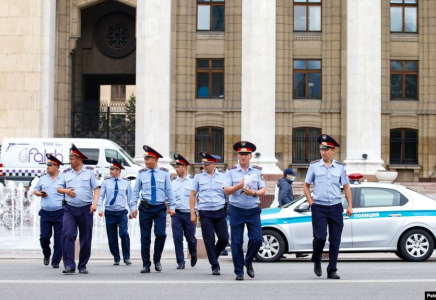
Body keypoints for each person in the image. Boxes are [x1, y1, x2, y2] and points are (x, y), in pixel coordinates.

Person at [303, 134, 353, 280]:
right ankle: (317, 259)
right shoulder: (314, 166)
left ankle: (332, 269)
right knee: (319, 238)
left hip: (336, 207)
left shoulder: (340, 167)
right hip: (319, 207)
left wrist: (349, 205)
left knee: (335, 240)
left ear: (333, 151)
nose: (323, 152)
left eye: (326, 149)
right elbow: (306, 186)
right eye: (321, 149)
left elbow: (346, 187)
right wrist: (311, 203)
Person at [224, 141, 265, 281]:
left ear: (250, 156)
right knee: (236, 242)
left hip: (253, 209)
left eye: (246, 154)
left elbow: (263, 189)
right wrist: (239, 186)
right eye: (241, 154)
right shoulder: (230, 171)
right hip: (236, 210)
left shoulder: (257, 170)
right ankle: (239, 271)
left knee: (257, 239)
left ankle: (248, 260)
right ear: (237, 155)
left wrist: (254, 193)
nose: (243, 156)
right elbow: (226, 190)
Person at [57, 144, 100, 274]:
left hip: (85, 209)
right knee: (68, 234)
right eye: (70, 159)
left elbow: (97, 188)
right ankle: (69, 265)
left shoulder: (89, 172)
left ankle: (82, 265)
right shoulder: (66, 173)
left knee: (85, 238)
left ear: (79, 159)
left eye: (72, 159)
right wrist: (66, 191)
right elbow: (59, 188)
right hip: (69, 209)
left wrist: (95, 204)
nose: (70, 161)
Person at [132, 145, 175, 274]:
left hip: (160, 208)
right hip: (145, 208)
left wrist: (172, 206)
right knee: (145, 238)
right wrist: (133, 207)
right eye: (145, 159)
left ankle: (157, 260)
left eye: (148, 158)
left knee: (161, 234)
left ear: (155, 159)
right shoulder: (141, 174)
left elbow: (169, 190)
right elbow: (135, 192)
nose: (145, 161)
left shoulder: (164, 173)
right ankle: (146, 264)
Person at [190, 152, 228, 276]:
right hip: (205, 212)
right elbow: (192, 194)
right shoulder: (199, 176)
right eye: (203, 164)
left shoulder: (223, 176)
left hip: (220, 210)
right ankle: (214, 265)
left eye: (207, 164)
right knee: (209, 240)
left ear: (214, 163)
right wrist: (192, 213)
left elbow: (227, 193)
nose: (204, 166)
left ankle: (213, 255)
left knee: (224, 238)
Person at [97, 157, 134, 266]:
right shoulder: (106, 182)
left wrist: (132, 211)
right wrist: (100, 209)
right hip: (110, 212)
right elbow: (101, 196)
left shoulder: (126, 183)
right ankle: (116, 257)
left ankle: (126, 257)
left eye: (113, 169)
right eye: (110, 169)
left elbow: (130, 199)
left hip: (122, 212)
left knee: (124, 233)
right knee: (112, 237)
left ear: (119, 170)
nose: (111, 171)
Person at [34, 153, 64, 268]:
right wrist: (39, 193)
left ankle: (55, 261)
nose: (47, 167)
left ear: (56, 166)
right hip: (46, 213)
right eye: (47, 165)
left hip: (60, 212)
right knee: (44, 238)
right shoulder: (43, 178)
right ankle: (47, 254)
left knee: (59, 239)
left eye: (50, 165)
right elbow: (36, 190)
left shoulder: (63, 178)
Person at [171, 154, 197, 269]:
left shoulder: (192, 181)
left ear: (184, 167)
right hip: (176, 214)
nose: (176, 169)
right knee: (177, 238)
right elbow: (170, 197)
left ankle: (194, 252)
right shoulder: (173, 181)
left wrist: (196, 213)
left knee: (190, 238)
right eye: (175, 167)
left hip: (189, 213)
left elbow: (198, 197)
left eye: (178, 167)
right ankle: (180, 262)